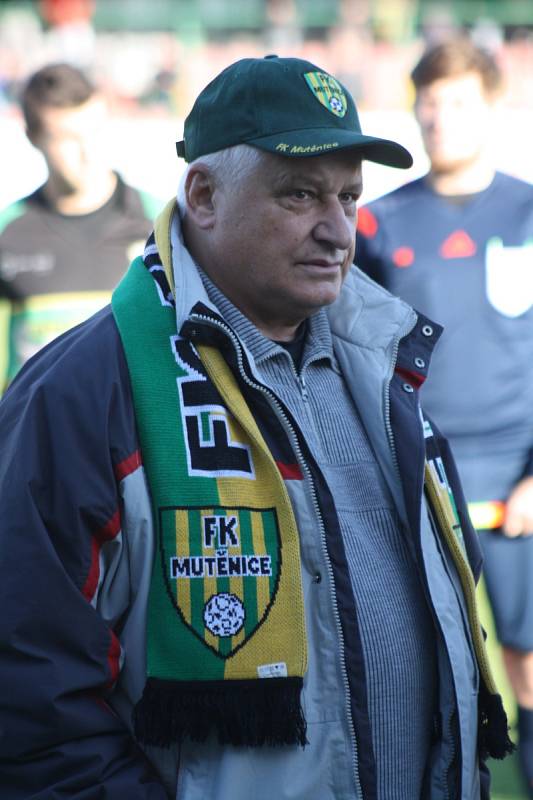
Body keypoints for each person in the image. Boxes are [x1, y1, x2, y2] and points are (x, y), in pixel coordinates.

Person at [0, 54, 513, 800]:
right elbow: (28, 701)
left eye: (348, 197)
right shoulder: (80, 392)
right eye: (300, 194)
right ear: (202, 195)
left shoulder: (385, 369)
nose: (337, 229)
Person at [355, 39, 533, 795]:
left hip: (518, 476)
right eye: (428, 102)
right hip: (416, 471)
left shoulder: (528, 209)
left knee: (526, 661)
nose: (439, 116)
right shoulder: (373, 224)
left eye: (457, 100)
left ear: (491, 107)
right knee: (423, 663)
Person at [0, 62, 161, 389]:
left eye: (94, 132)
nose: (87, 151)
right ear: (33, 137)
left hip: (132, 437)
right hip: (37, 436)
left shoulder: (159, 224)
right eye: (67, 139)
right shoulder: (8, 232)